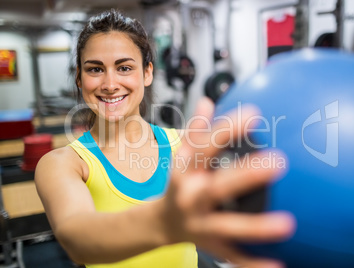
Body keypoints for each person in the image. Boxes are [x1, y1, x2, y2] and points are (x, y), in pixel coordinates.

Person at [35, 9, 295, 268]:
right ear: (79, 78)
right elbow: (78, 239)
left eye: (124, 67)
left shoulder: (185, 148)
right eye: (95, 69)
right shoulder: (63, 164)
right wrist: (163, 222)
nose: (110, 83)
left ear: (147, 73)